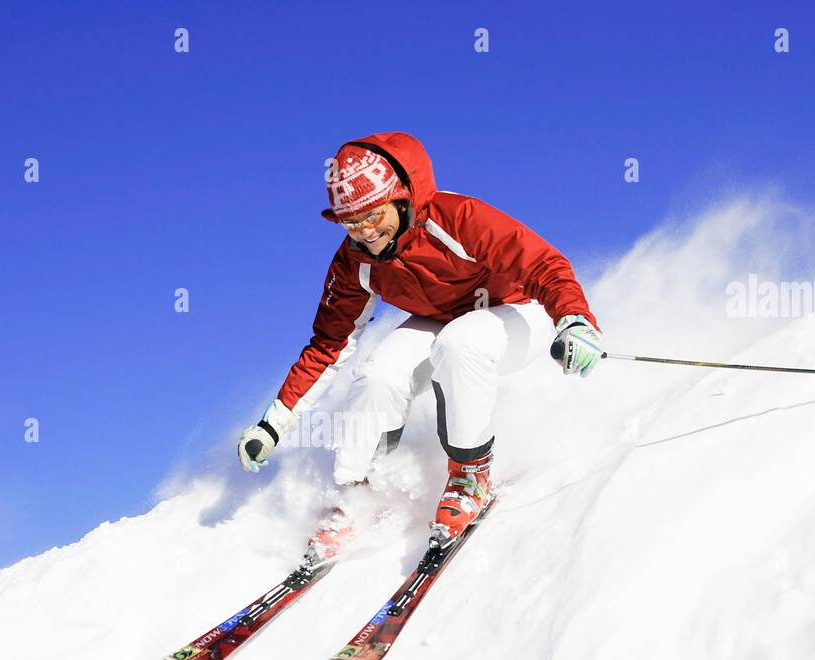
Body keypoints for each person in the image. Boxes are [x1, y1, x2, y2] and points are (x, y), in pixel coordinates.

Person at [237, 132, 602, 564]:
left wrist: (574, 318)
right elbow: (329, 344)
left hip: (520, 311)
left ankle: (470, 476)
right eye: (351, 223)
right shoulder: (354, 262)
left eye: (373, 216)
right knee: (380, 372)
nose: (365, 233)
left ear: (402, 198)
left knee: (460, 342)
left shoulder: (456, 217)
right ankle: (359, 494)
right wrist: (273, 423)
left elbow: (542, 263)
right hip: (443, 320)